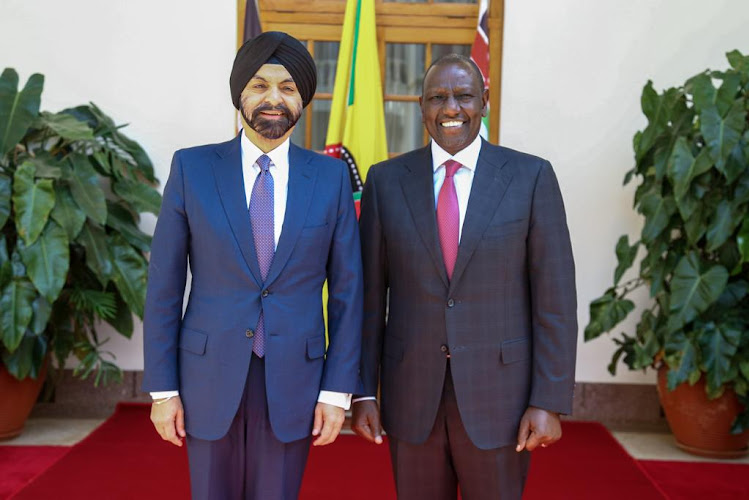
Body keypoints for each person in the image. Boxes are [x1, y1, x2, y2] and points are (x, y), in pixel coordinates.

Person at [142, 31, 363, 499]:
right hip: (206, 375)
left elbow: (348, 292)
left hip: (296, 380)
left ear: (303, 98)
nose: (273, 99)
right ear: (239, 93)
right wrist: (163, 391)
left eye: (287, 87)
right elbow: (164, 286)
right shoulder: (192, 169)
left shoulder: (330, 178)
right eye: (260, 85)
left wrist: (336, 392)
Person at [352, 54, 577, 499]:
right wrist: (363, 392)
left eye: (463, 96)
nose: (451, 108)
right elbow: (369, 302)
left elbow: (555, 300)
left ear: (485, 101)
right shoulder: (385, 181)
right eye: (438, 97)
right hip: (411, 396)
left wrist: (548, 400)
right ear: (421, 106)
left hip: (502, 401)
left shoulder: (531, 177)